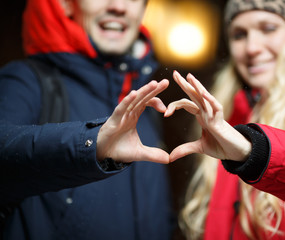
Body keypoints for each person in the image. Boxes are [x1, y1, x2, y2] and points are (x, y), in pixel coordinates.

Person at [164, 0, 285, 239]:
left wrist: (254, 151)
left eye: (268, 28)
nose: (251, 47)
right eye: (239, 34)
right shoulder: (225, 112)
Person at [0, 0, 174, 239]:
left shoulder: (147, 102)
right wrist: (92, 144)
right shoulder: (28, 81)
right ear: (67, 4)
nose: (119, 6)